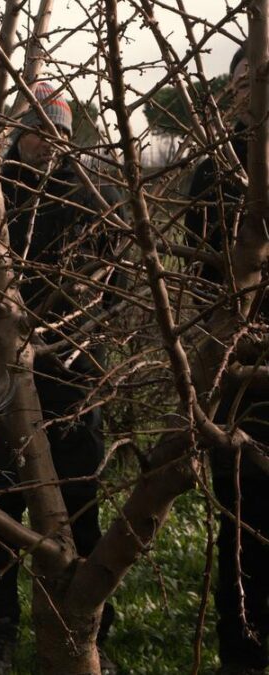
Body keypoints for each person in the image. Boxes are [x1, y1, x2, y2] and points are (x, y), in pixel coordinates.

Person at [0, 82, 121, 675]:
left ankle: (85, 625)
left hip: (77, 376)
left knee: (80, 500)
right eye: (35, 131)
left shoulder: (94, 196)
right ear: (17, 134)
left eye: (56, 132)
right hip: (3, 377)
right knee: (1, 504)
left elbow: (119, 283)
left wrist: (82, 328)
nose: (45, 143)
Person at [185, 44, 269, 675]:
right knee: (240, 522)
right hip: (235, 365)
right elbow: (197, 254)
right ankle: (239, 653)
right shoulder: (215, 165)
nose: (249, 90)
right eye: (242, 79)